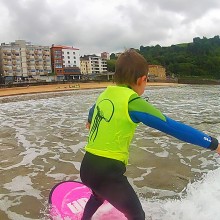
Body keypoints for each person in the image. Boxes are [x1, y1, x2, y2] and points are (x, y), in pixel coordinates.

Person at [80, 49, 220, 220]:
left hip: (87, 167)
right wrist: (214, 144)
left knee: (97, 196)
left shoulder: (105, 95)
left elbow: (92, 110)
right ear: (142, 79)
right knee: (137, 215)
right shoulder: (133, 102)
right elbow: (173, 127)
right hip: (107, 173)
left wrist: (89, 120)